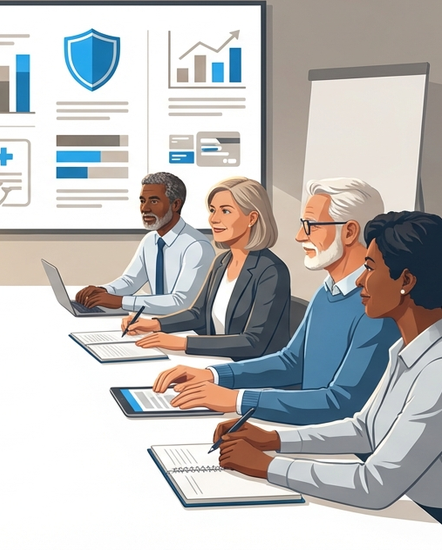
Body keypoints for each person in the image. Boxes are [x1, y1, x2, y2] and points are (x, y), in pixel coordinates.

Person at [215, 212, 442, 550]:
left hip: (441, 531)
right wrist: (272, 439)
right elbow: (364, 429)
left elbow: (375, 485)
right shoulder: (409, 347)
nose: (360, 281)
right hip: (406, 514)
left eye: (370, 268)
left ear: (406, 280)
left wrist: (268, 466)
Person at [147, 178, 399, 424]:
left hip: (337, 445)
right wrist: (213, 375)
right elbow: (291, 361)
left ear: (350, 231)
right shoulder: (327, 292)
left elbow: (341, 403)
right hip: (306, 426)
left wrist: (237, 400)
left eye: (311, 225)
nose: (300, 236)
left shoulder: (376, 306)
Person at [123, 177, 291, 360]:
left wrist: (183, 343)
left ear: (251, 218)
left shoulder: (271, 270)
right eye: (212, 210)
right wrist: (154, 324)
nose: (214, 219)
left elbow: (254, 342)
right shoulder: (222, 261)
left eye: (225, 211)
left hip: (249, 371)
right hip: (217, 359)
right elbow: (199, 314)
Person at [75, 172, 214, 315]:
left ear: (176, 204)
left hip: (184, 330)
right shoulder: (150, 240)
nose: (144, 208)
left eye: (154, 201)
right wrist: (105, 290)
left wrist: (121, 301)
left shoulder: (197, 246)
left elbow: (181, 303)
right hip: (154, 321)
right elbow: (131, 281)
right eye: (142, 201)